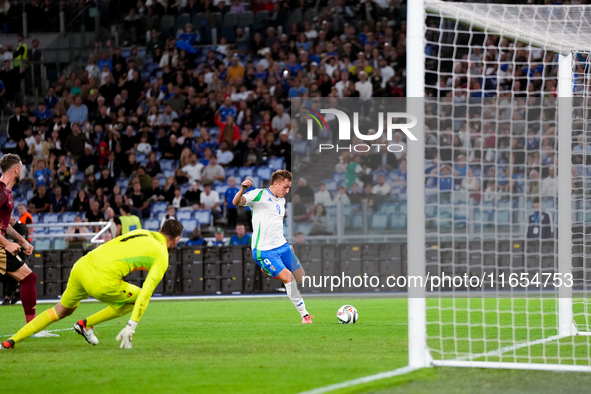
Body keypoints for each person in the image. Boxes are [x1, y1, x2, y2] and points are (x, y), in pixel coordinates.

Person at [2, 221, 184, 349]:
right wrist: (131, 325)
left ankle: (11, 341)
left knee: (61, 311)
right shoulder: (162, 255)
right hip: (101, 280)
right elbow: (146, 292)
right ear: (176, 240)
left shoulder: (142, 232)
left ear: (160, 230)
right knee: (136, 298)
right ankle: (85, 324)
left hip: (82, 265)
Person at [233, 170, 313, 323]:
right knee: (289, 279)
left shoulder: (281, 201)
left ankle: (273, 266)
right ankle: (305, 315)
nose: (287, 191)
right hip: (265, 250)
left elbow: (276, 225)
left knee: (301, 277)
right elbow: (236, 202)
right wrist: (243, 189)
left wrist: (287, 244)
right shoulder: (258, 195)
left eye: (289, 187)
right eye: (285, 187)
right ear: (275, 183)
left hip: (282, 246)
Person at [0, 155, 55, 337]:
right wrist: (7, 243)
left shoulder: (6, 193)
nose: (22, 172)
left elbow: (4, 224)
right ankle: (32, 329)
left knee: (29, 278)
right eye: (21, 168)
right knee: (29, 278)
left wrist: (22, 241)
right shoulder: (1, 192)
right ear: (16, 170)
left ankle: (31, 329)